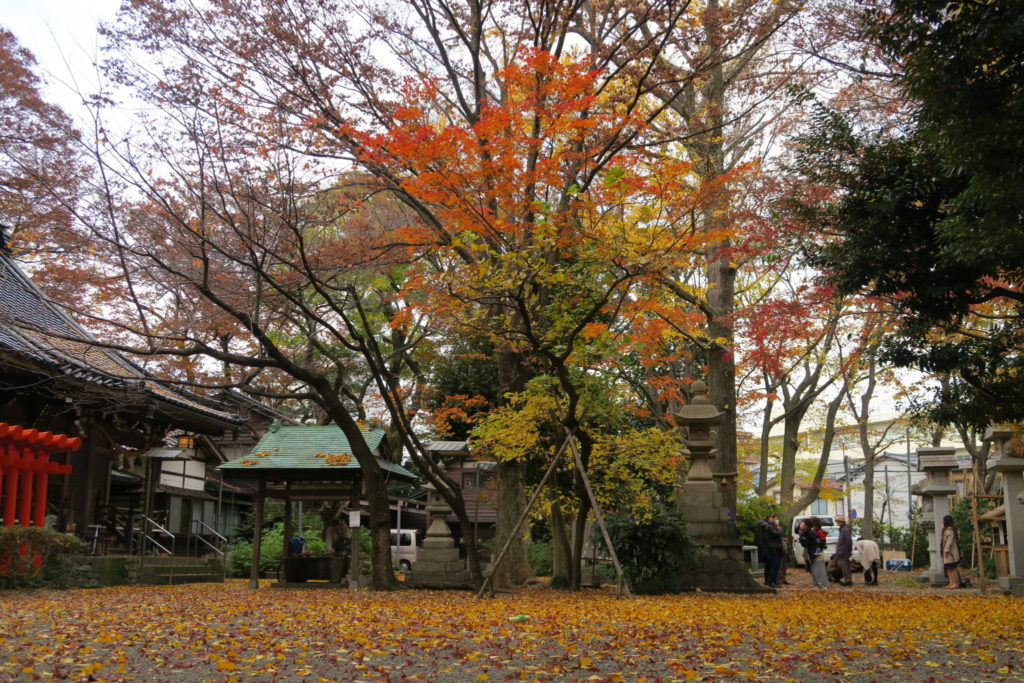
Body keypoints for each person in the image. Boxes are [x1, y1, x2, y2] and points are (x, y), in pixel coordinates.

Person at [800, 518, 828, 589]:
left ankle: (821, 585)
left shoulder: (811, 532)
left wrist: (817, 552)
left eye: (803, 522)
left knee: (819, 568)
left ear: (806, 525)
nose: (801, 524)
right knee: (814, 568)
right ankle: (816, 584)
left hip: (816, 552)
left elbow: (815, 542)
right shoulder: (808, 532)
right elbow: (806, 543)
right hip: (813, 552)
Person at [941, 514, 963, 589]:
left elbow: (949, 542)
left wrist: (946, 551)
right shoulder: (947, 530)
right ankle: (951, 583)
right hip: (947, 552)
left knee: (952, 567)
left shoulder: (950, 530)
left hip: (950, 552)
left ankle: (955, 583)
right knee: (949, 567)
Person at [764, 514, 784, 588]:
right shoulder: (769, 527)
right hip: (773, 549)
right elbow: (776, 534)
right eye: (775, 519)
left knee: (776, 565)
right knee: (774, 565)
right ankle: (772, 581)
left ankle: (774, 581)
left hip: (777, 548)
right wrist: (779, 529)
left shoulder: (774, 527)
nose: (776, 520)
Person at [834, 515, 854, 586]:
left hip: (843, 552)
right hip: (842, 551)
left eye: (838, 521)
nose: (837, 523)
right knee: (844, 566)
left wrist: (849, 550)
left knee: (844, 566)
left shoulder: (845, 530)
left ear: (842, 522)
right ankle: (847, 579)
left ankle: (847, 580)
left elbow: (848, 541)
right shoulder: (843, 529)